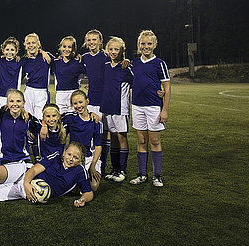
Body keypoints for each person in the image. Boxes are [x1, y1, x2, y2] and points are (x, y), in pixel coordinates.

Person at [129, 29, 171, 187]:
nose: (145, 46)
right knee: (141, 140)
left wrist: (164, 110)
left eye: (149, 43)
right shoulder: (134, 64)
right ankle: (142, 174)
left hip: (154, 107)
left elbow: (167, 88)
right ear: (138, 45)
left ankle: (157, 176)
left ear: (155, 45)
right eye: (142, 43)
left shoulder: (160, 64)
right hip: (137, 106)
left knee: (154, 140)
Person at [100, 36, 133, 182]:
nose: (113, 52)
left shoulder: (126, 68)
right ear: (107, 50)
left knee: (121, 136)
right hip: (107, 107)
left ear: (122, 51)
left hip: (120, 108)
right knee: (112, 136)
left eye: (116, 49)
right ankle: (114, 169)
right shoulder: (106, 66)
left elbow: (137, 82)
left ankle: (122, 170)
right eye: (111, 49)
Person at [63, 89, 103, 191]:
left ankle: (74, 186)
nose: (78, 106)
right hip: (73, 157)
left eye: (81, 102)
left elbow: (98, 146)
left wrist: (93, 166)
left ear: (87, 101)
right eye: (75, 103)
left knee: (93, 186)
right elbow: (52, 117)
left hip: (89, 157)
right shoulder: (70, 117)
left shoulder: (96, 122)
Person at [51, 35, 86, 113]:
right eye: (64, 46)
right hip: (60, 94)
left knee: (75, 118)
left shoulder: (78, 63)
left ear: (73, 49)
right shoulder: (55, 63)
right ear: (60, 48)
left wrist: (91, 83)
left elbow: (91, 73)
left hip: (74, 93)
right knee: (62, 119)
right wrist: (41, 51)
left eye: (69, 47)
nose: (66, 49)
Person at [21, 33, 52, 120]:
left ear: (38, 44)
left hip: (42, 92)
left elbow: (61, 61)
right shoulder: (24, 60)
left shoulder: (46, 56)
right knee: (28, 117)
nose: (31, 45)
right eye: (28, 43)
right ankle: (29, 134)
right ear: (25, 46)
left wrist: (77, 56)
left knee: (39, 118)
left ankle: (38, 133)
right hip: (29, 92)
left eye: (33, 43)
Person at [0, 37, 23, 108]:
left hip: (13, 96)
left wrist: (42, 52)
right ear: (3, 51)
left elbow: (30, 55)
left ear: (16, 51)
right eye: (7, 50)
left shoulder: (19, 62)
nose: (9, 52)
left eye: (12, 50)